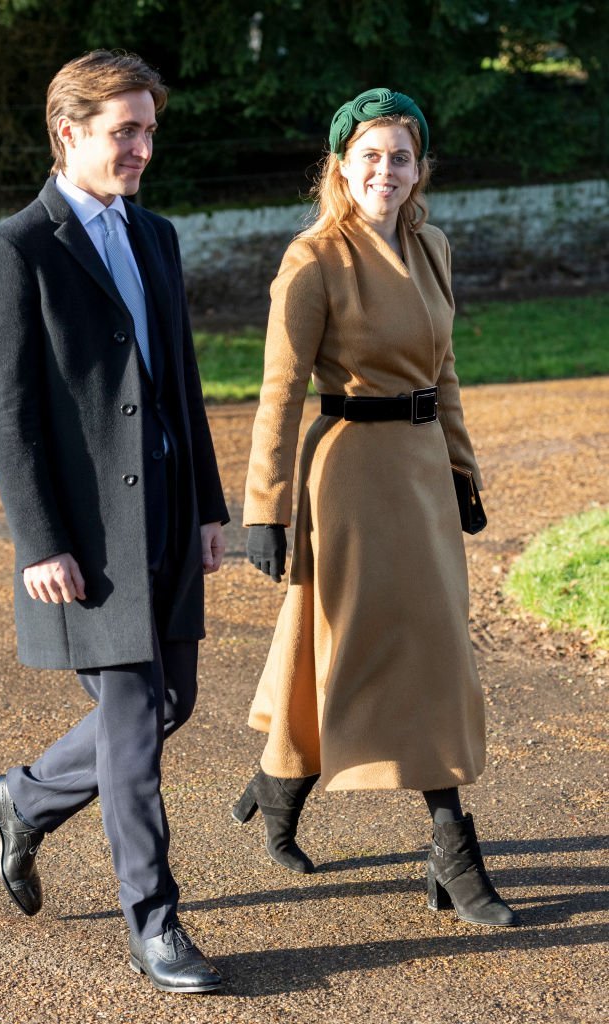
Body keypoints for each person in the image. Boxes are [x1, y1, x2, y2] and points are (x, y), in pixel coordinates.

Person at [0, 49, 228, 993]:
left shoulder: (155, 235)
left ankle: (23, 797)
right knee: (130, 721)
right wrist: (39, 540)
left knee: (169, 704)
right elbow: (10, 411)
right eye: (125, 130)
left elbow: (182, 385)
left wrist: (208, 507)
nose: (143, 148)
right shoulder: (14, 251)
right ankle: (153, 924)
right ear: (68, 132)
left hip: (166, 513)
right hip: (87, 538)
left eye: (150, 129)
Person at [234, 88, 516, 928]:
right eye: (370, 156)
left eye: (400, 156)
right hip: (350, 476)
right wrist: (265, 505)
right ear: (340, 167)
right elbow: (280, 391)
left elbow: (446, 367)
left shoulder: (432, 246)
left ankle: (280, 782)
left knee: (362, 639)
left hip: (423, 471)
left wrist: (462, 468)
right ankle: (452, 845)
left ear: (419, 167)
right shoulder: (314, 258)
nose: (385, 171)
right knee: (392, 645)